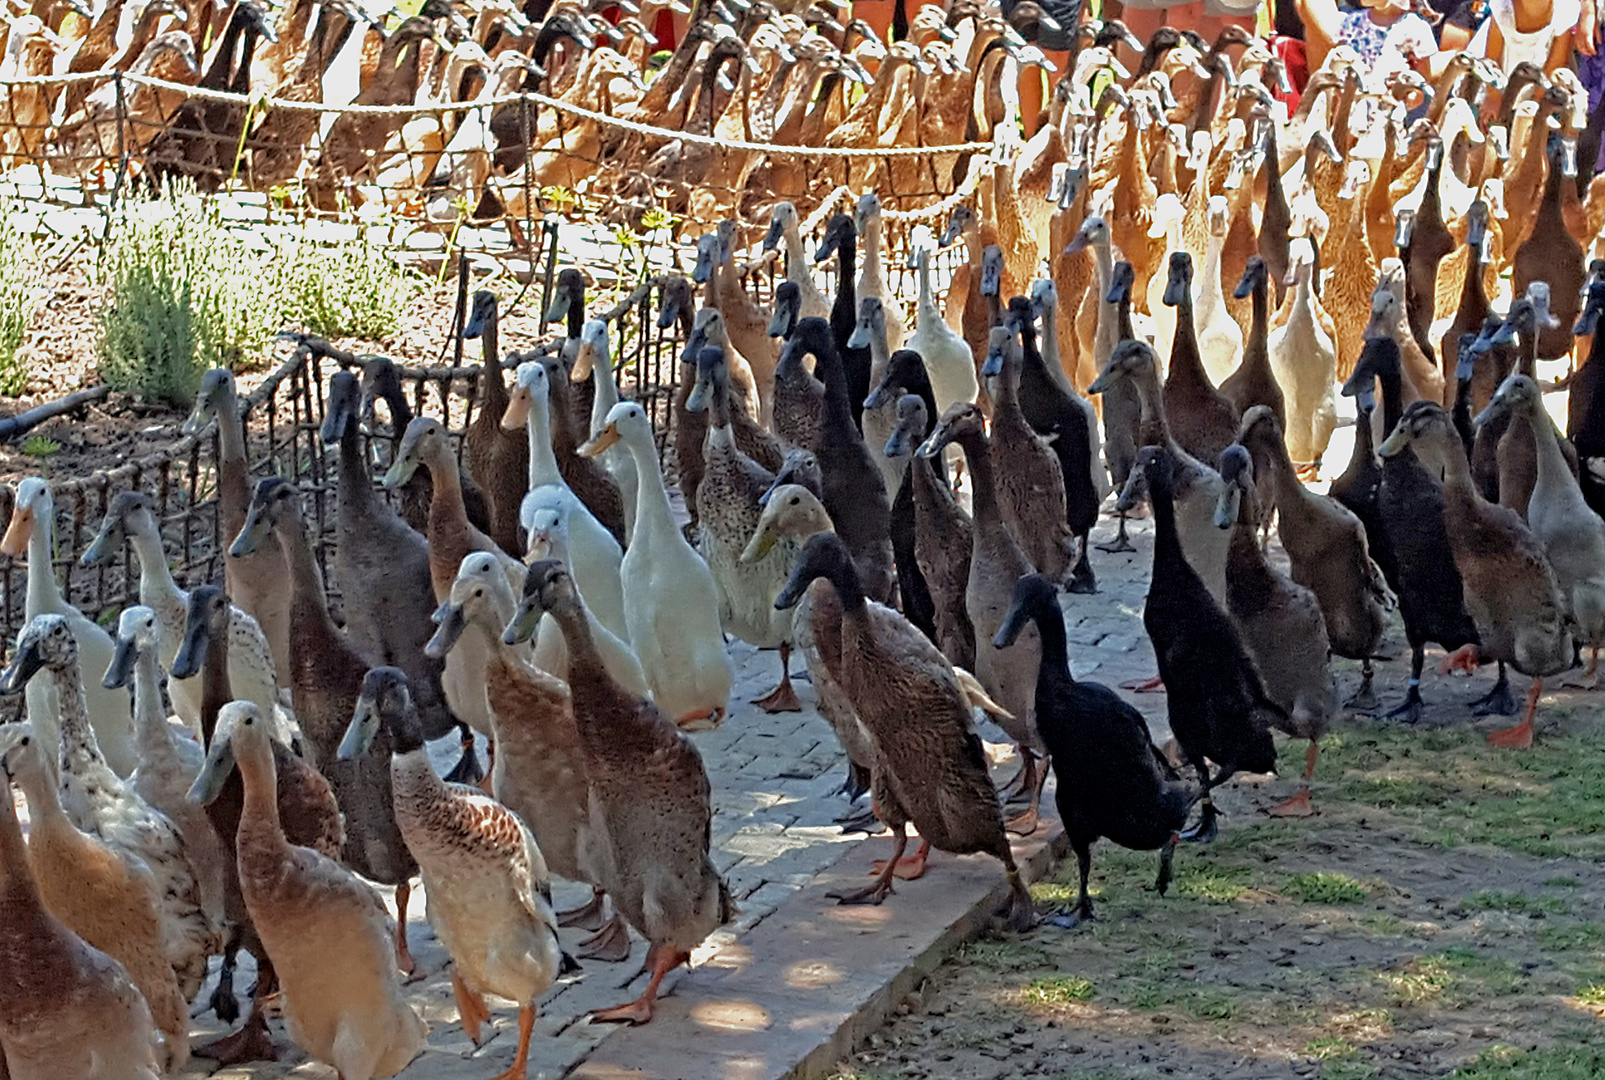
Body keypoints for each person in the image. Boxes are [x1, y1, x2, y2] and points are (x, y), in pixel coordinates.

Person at [1299, 0, 1441, 76]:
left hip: (1389, 109)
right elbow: (1331, 39)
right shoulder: (1353, 21)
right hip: (1350, 104)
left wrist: (1411, 94)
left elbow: (1424, 76)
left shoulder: (1414, 27)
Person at [1468, 0, 1579, 74]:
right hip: (1495, 78)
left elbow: (1555, 63)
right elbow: (1492, 60)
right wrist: (1494, 97)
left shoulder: (1565, 10)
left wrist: (1537, 99)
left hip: (1538, 84)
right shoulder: (1502, 8)